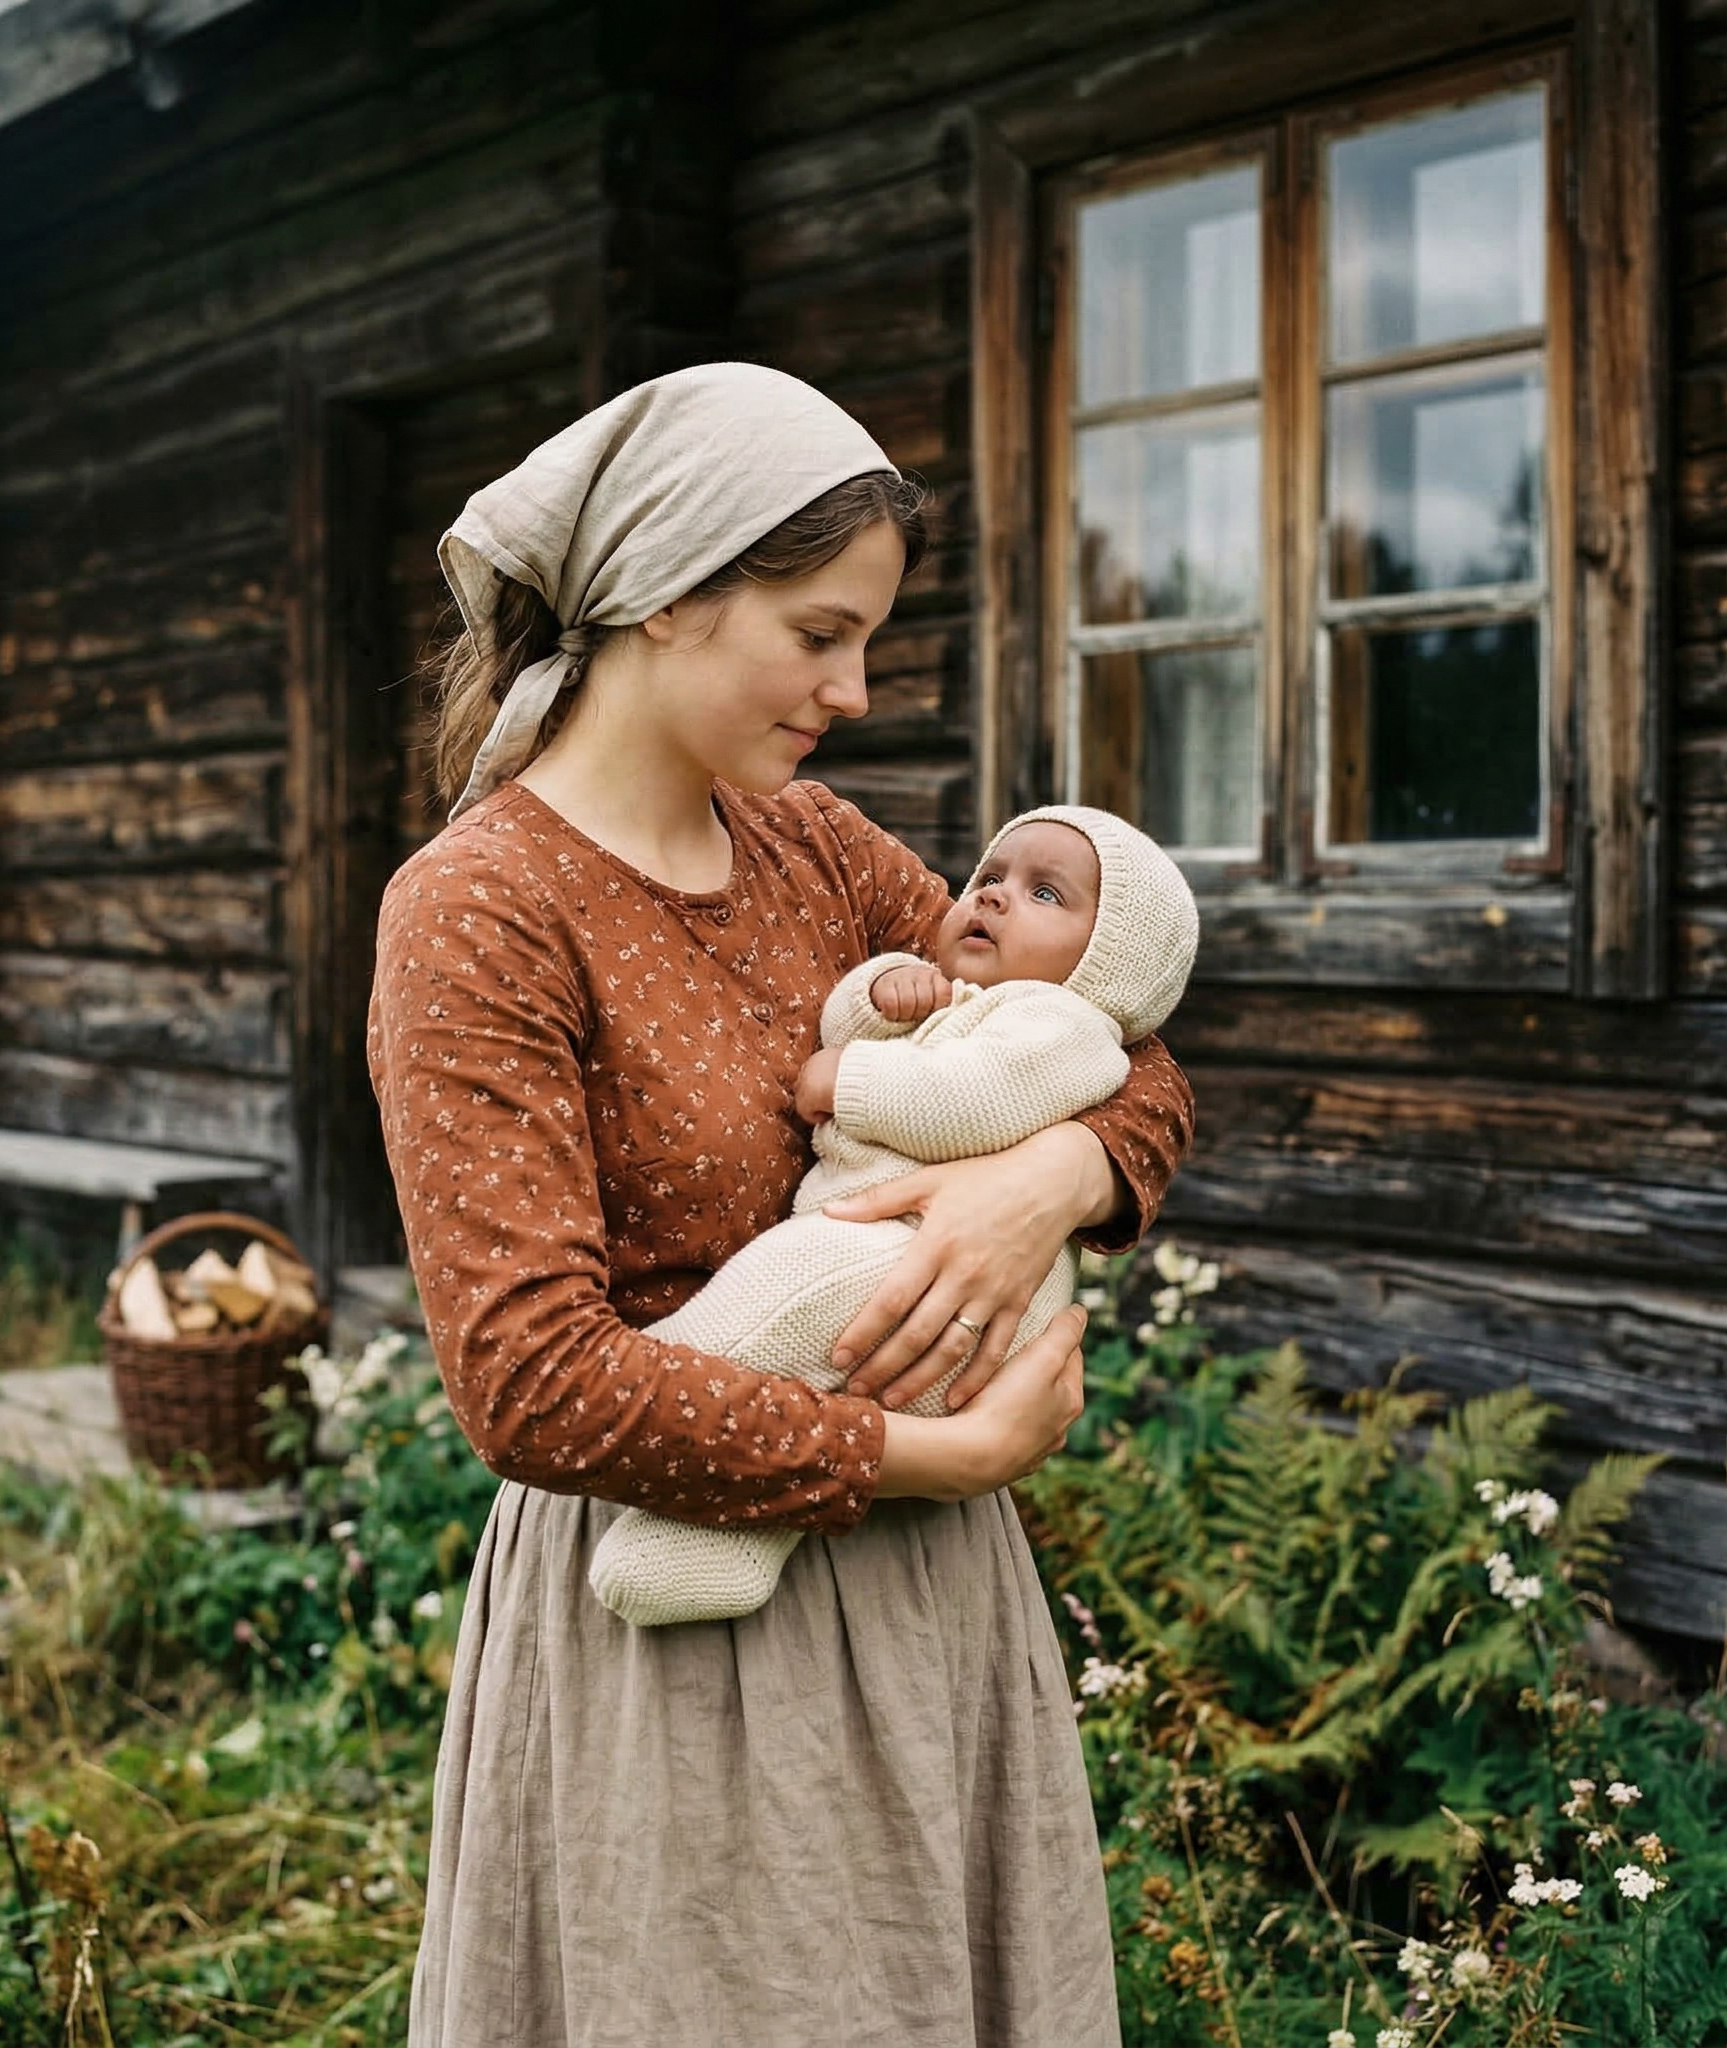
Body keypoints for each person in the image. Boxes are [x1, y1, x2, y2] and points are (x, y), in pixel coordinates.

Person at [366, 360, 1195, 2048]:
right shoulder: (481, 910)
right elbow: (527, 1381)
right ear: (670, 592)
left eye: (863, 641)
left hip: (927, 1608)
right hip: (672, 1620)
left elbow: (1119, 1036)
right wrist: (929, 1455)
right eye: (819, 633)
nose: (854, 689)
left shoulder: (814, 849)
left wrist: (1046, 1181)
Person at [587, 803, 1198, 1626]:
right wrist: (880, 997)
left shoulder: (1064, 1024)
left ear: (1109, 965)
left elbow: (969, 1102)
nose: (993, 896)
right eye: (989, 876)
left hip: (928, 1271)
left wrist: (846, 1079)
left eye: (1046, 894)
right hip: (896, 1267)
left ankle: (643, 1390)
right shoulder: (970, 996)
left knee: (782, 1294)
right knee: (810, 1379)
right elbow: (856, 1021)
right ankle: (722, 1545)